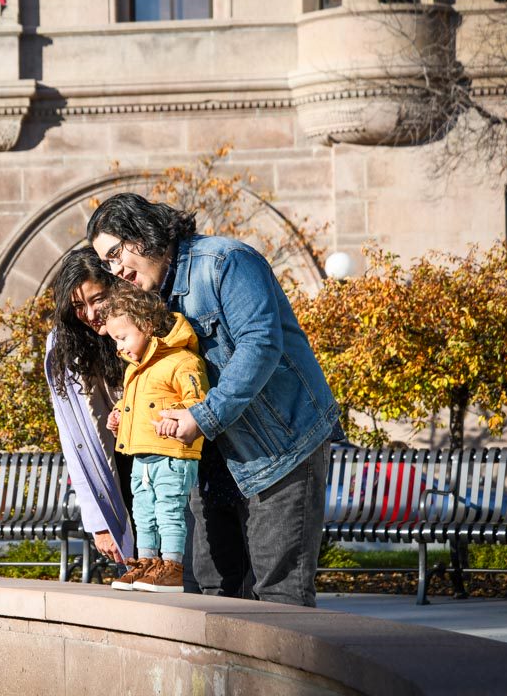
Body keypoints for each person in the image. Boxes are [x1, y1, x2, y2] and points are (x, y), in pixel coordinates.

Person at [86, 193, 344, 607]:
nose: (115, 269)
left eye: (116, 253)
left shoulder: (225, 262)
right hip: (206, 459)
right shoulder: (151, 296)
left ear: (143, 233)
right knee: (208, 594)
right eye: (106, 262)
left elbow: (260, 345)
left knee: (280, 594)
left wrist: (202, 417)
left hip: (279, 449)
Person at [101, 285, 207, 592]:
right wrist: (120, 414)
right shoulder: (136, 369)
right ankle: (145, 564)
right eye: (115, 341)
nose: (118, 347)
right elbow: (135, 402)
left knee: (169, 511)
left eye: (122, 338)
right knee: (143, 512)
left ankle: (171, 567)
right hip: (142, 456)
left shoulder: (182, 361)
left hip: (172, 455)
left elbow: (198, 401)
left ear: (146, 326)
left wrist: (174, 417)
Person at [44, 249, 135, 567]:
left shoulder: (145, 326)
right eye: (78, 305)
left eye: (98, 299)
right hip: (117, 468)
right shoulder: (65, 346)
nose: (91, 312)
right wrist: (98, 522)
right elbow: (75, 440)